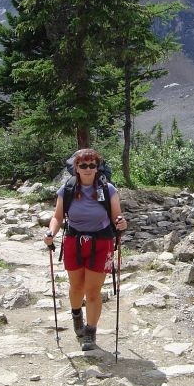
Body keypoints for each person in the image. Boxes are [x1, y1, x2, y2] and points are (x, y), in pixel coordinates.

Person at [43, 149, 127, 351]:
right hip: (74, 240)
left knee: (92, 291)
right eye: (83, 166)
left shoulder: (108, 190)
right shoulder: (68, 189)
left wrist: (121, 223)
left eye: (92, 165)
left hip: (101, 242)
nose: (88, 169)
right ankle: (76, 314)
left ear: (98, 168)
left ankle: (90, 332)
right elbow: (57, 216)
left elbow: (118, 217)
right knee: (76, 287)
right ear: (76, 168)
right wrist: (50, 233)